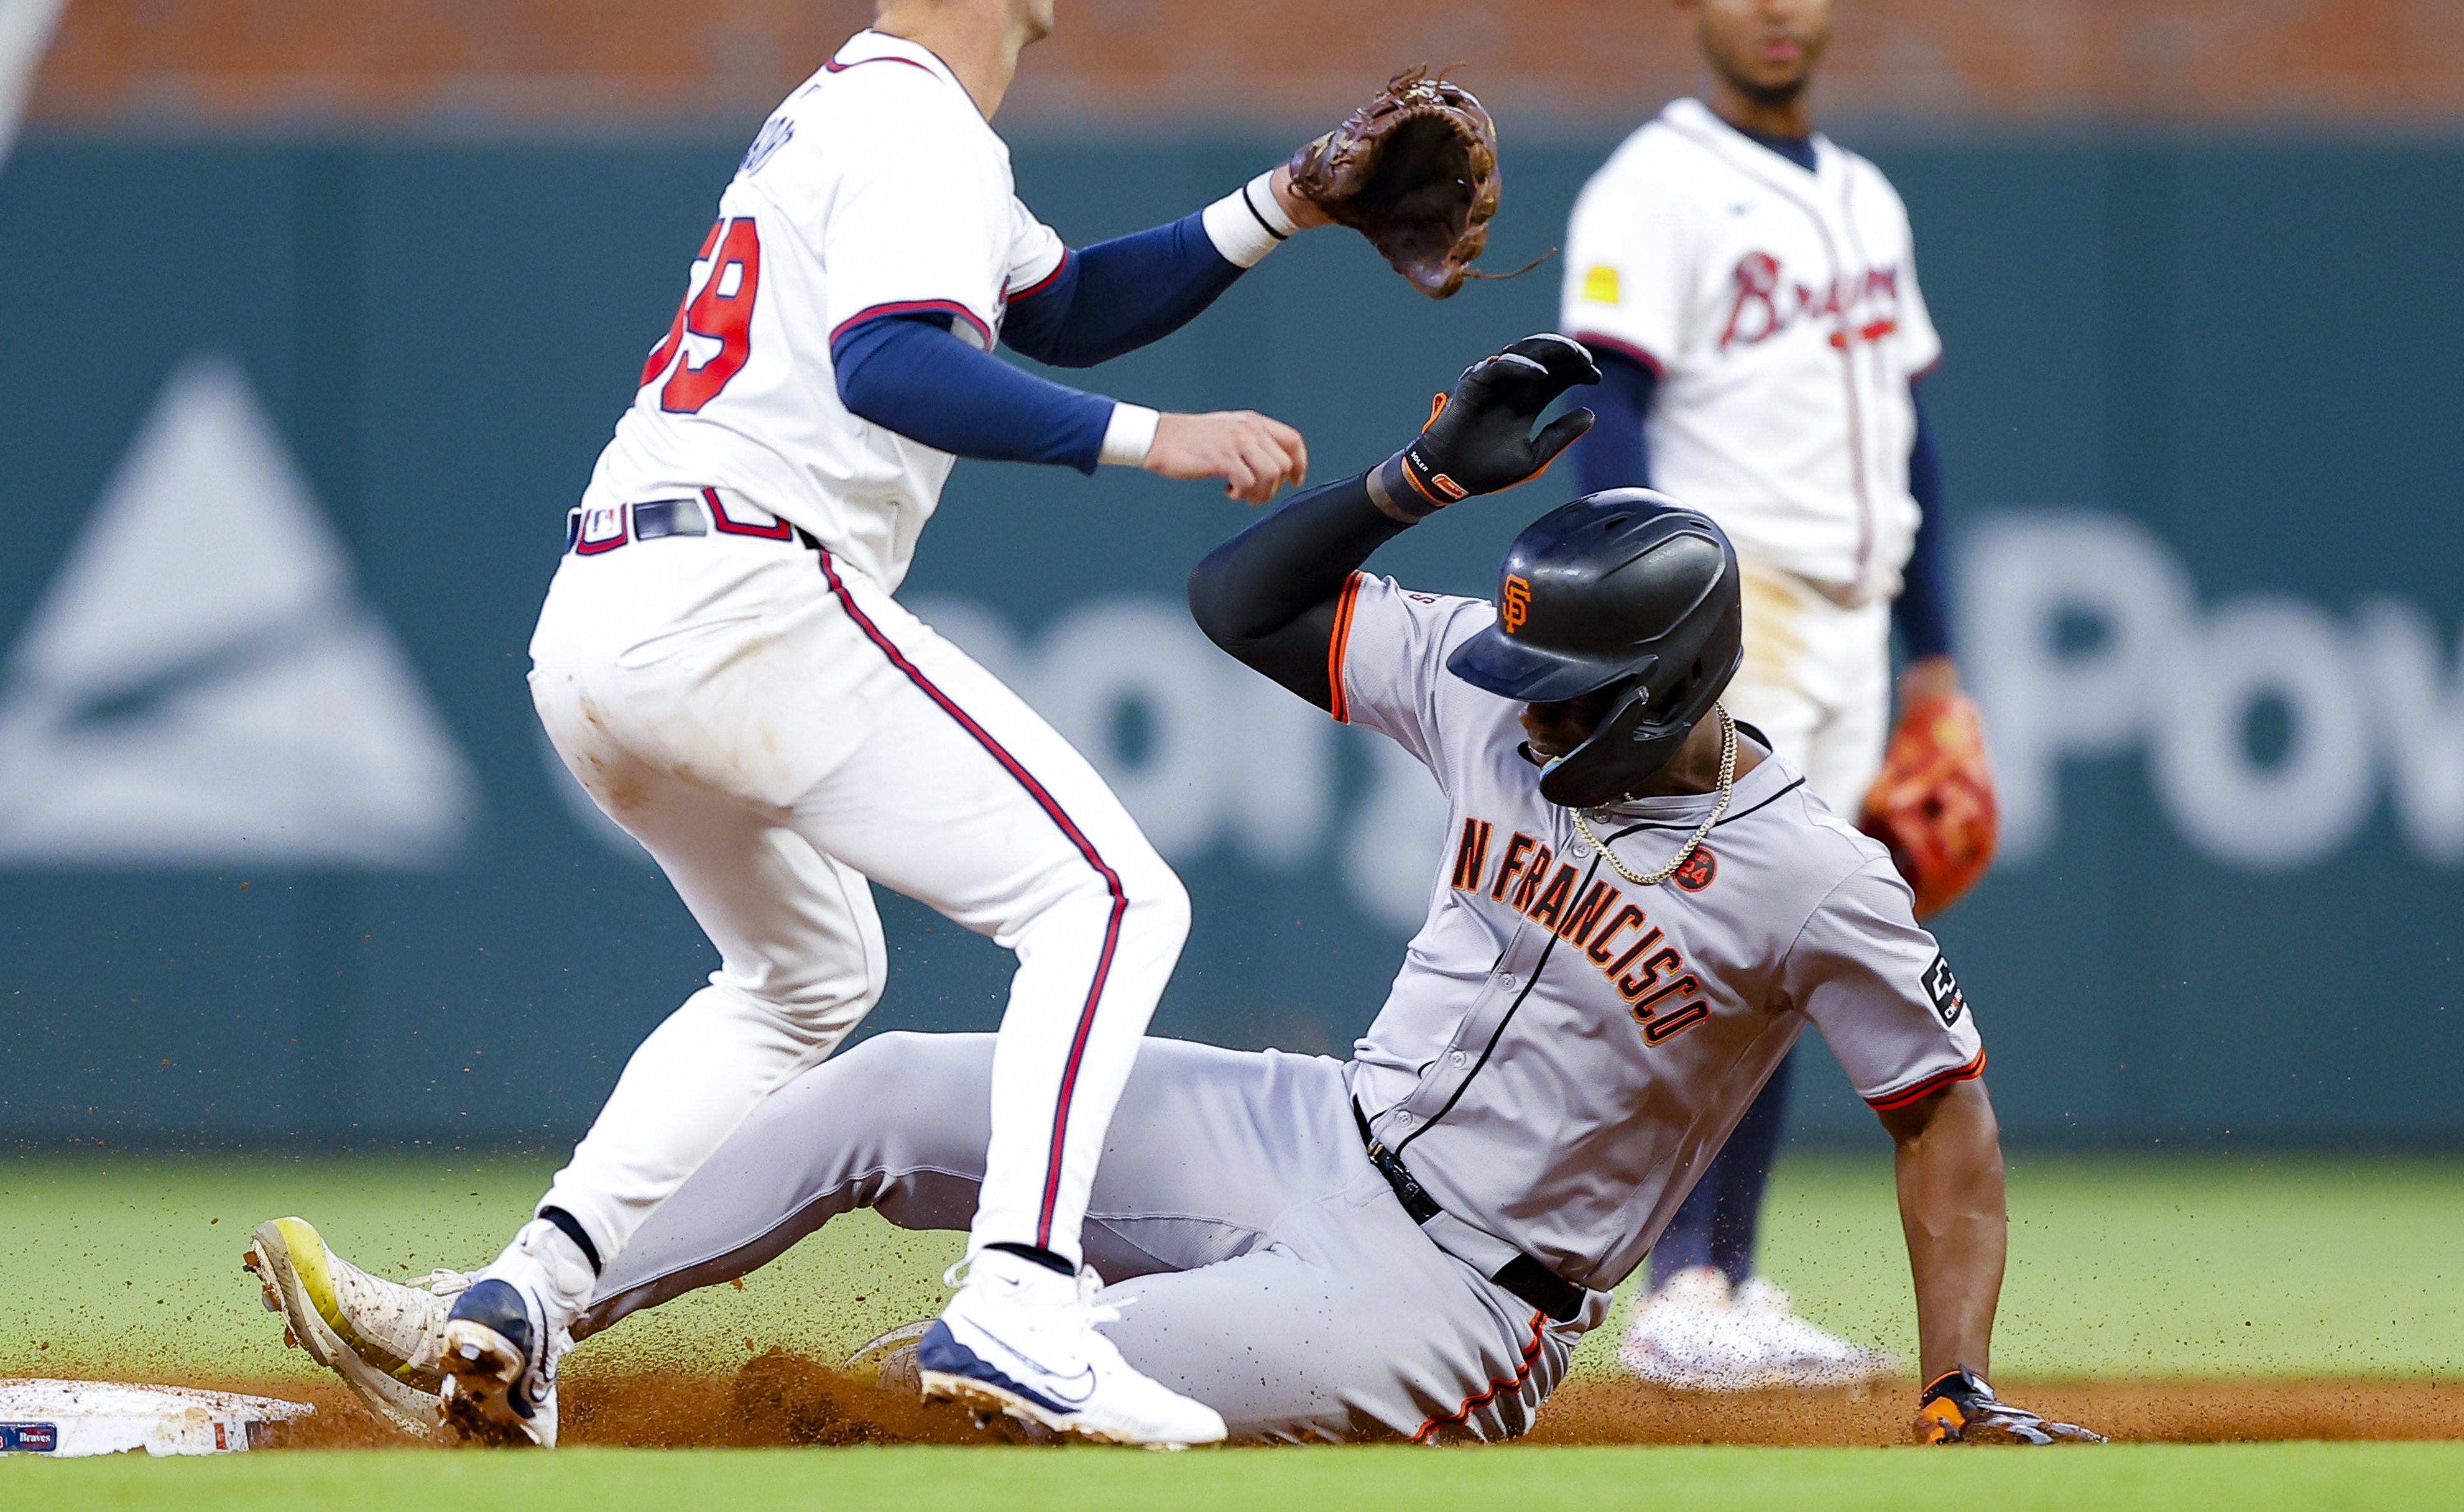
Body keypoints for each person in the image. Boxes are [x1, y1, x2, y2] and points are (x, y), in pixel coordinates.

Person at [247, 339, 2097, 1450]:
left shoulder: (1805, 871)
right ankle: (508, 1323)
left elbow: (1940, 1119)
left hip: (1462, 1296)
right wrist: (1414, 476)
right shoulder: (1494, 683)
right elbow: (1243, 604)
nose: (1517, 717)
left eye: (1568, 701)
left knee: (989, 1386)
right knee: (886, 1084)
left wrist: (1954, 1380)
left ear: (1679, 691)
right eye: (1516, 685)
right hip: (1307, 1126)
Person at [387, 0, 1391, 1449]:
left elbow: (1055, 305)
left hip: (603, 617)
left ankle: (524, 1294)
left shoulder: (859, 109)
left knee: (800, 970)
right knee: (1108, 898)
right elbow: (890, 359)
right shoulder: (919, 123)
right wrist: (1164, 443)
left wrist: (1284, 201)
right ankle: (1019, 1299)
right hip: (740, 588)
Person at [1558, 0, 1994, 1392]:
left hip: (1858, 627)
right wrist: (1649, 620)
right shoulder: (1651, 187)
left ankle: (1715, 1285)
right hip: (1740, 619)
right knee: (1736, 955)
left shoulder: (1865, 195)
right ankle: (1680, 1287)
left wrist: (1940, 658)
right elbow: (1607, 402)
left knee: (1787, 963)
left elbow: (1911, 435)